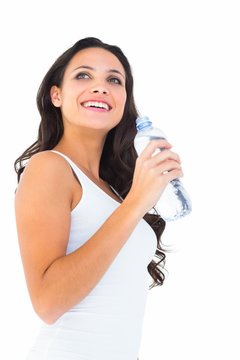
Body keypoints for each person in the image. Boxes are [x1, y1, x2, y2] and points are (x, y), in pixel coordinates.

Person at [14, 37, 183, 360]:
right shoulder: (49, 167)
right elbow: (47, 303)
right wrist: (137, 201)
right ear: (56, 95)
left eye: (114, 80)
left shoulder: (113, 189)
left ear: (124, 100)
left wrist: (135, 196)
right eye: (83, 75)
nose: (101, 87)